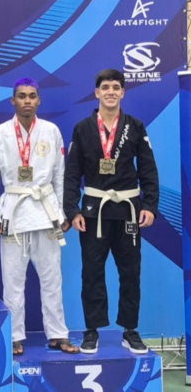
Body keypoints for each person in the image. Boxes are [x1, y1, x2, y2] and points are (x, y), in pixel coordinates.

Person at [64, 69, 158, 355]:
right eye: (105, 87)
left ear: (123, 92)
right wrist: (72, 210)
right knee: (92, 272)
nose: (110, 92)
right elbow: (72, 173)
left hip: (128, 211)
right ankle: (91, 330)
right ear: (97, 92)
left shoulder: (135, 126)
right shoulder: (82, 128)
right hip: (94, 212)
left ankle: (130, 330)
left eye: (116, 87)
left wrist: (150, 205)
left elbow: (148, 169)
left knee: (130, 272)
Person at [0, 78, 77, 356]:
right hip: (13, 211)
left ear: (39, 100)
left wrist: (63, 212)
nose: (27, 100)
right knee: (12, 279)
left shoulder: (51, 131)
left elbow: (60, 175)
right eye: (21, 96)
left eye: (32, 96)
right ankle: (13, 335)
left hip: (46, 211)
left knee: (52, 278)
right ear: (13, 100)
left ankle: (58, 334)